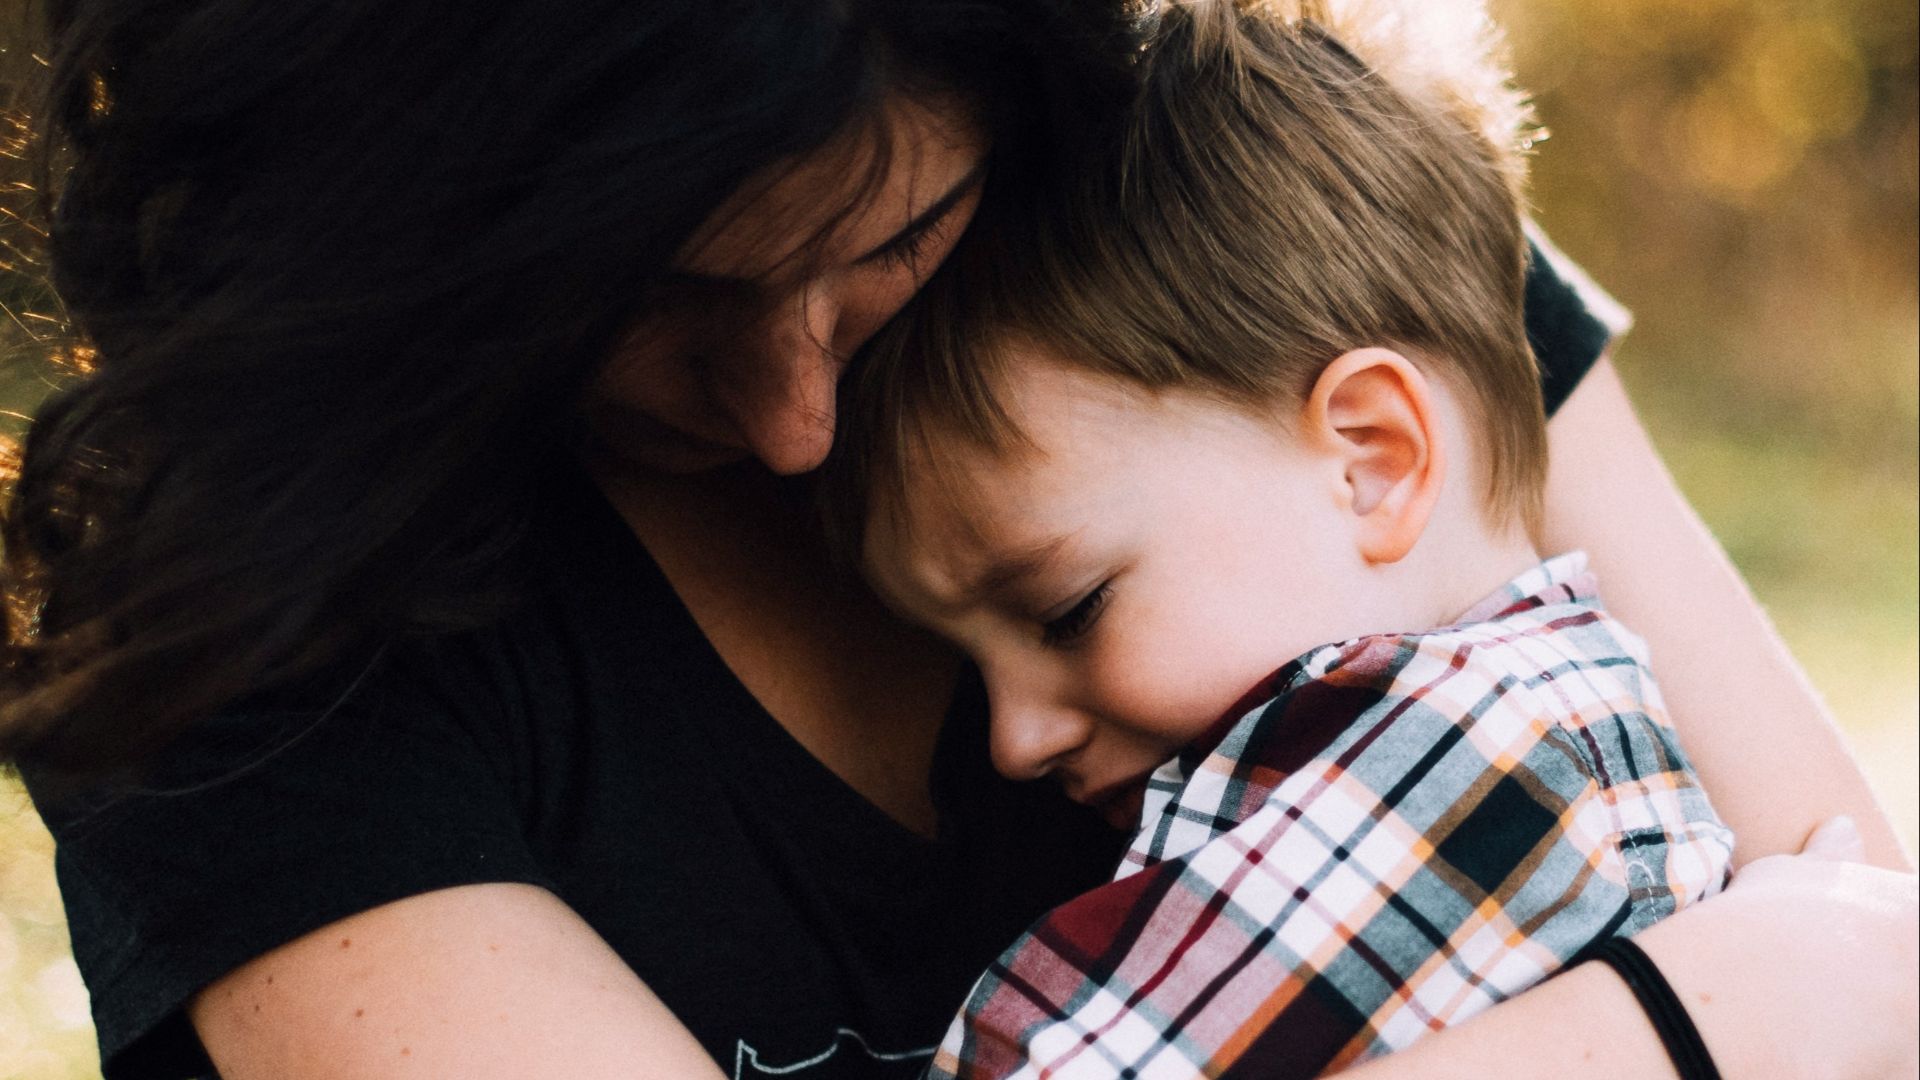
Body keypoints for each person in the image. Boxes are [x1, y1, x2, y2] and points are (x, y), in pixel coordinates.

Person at [0, 1, 1910, 1079]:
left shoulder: (1275, 231)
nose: (792, 421)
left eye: (888, 248)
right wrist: (1699, 1019)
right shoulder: (241, 593)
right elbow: (1841, 982)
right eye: (642, 296)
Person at [824, 4, 1735, 1074]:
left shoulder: (1466, 759)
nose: (1012, 741)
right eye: (969, 662)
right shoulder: (1545, 723)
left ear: (1373, 460)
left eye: (1069, 609)